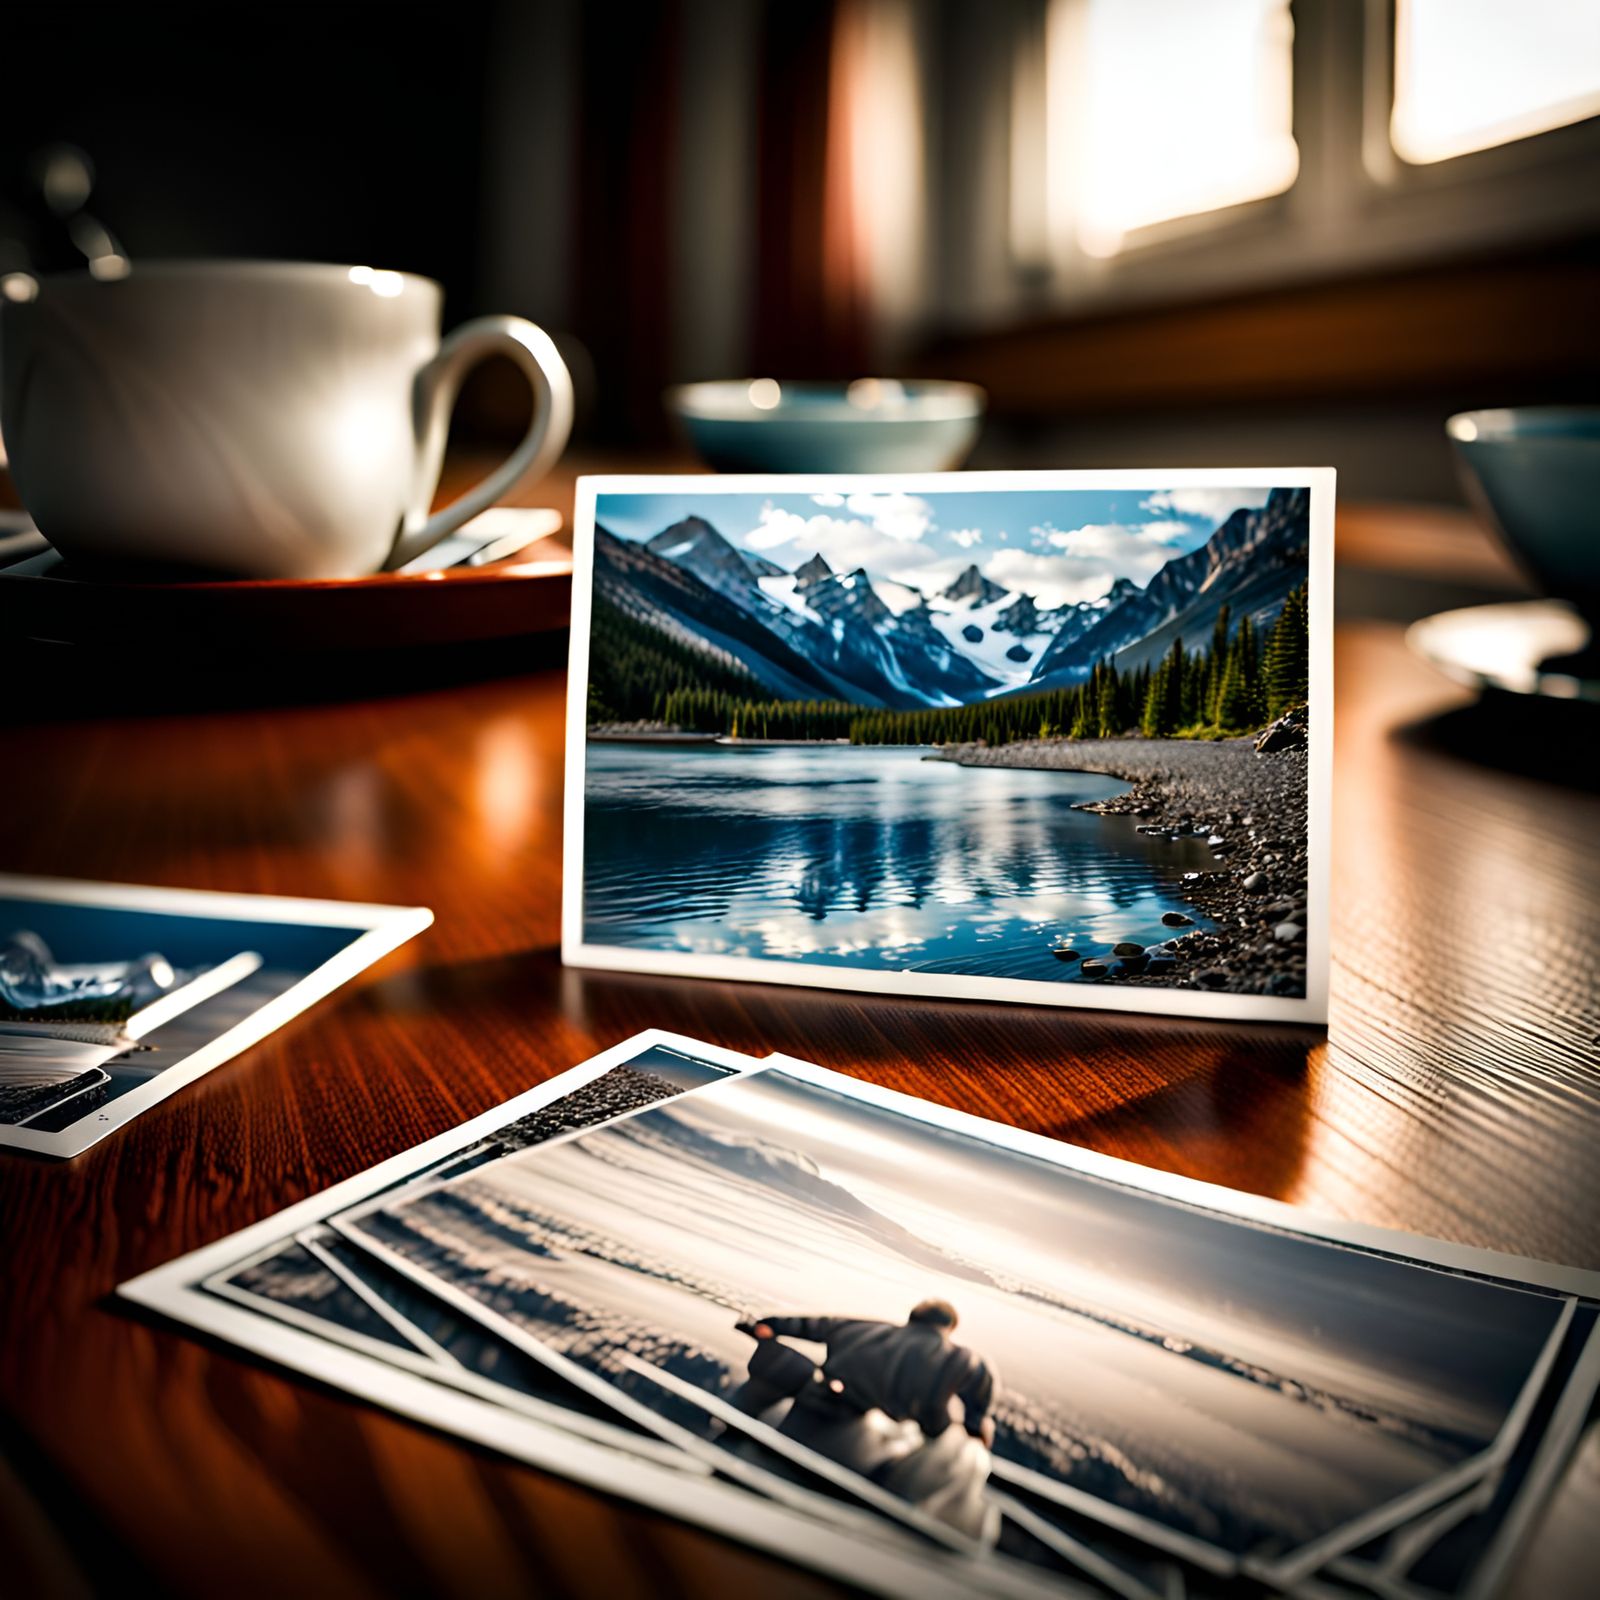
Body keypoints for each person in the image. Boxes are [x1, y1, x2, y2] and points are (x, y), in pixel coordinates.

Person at [731, 1299, 1000, 1541]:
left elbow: (812, 1325)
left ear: (913, 1318)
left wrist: (767, 1326)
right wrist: (964, 1426)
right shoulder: (961, 1358)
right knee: (962, 1454)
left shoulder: (861, 1328)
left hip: (808, 1414)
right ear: (949, 1327)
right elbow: (977, 1397)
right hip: (861, 1451)